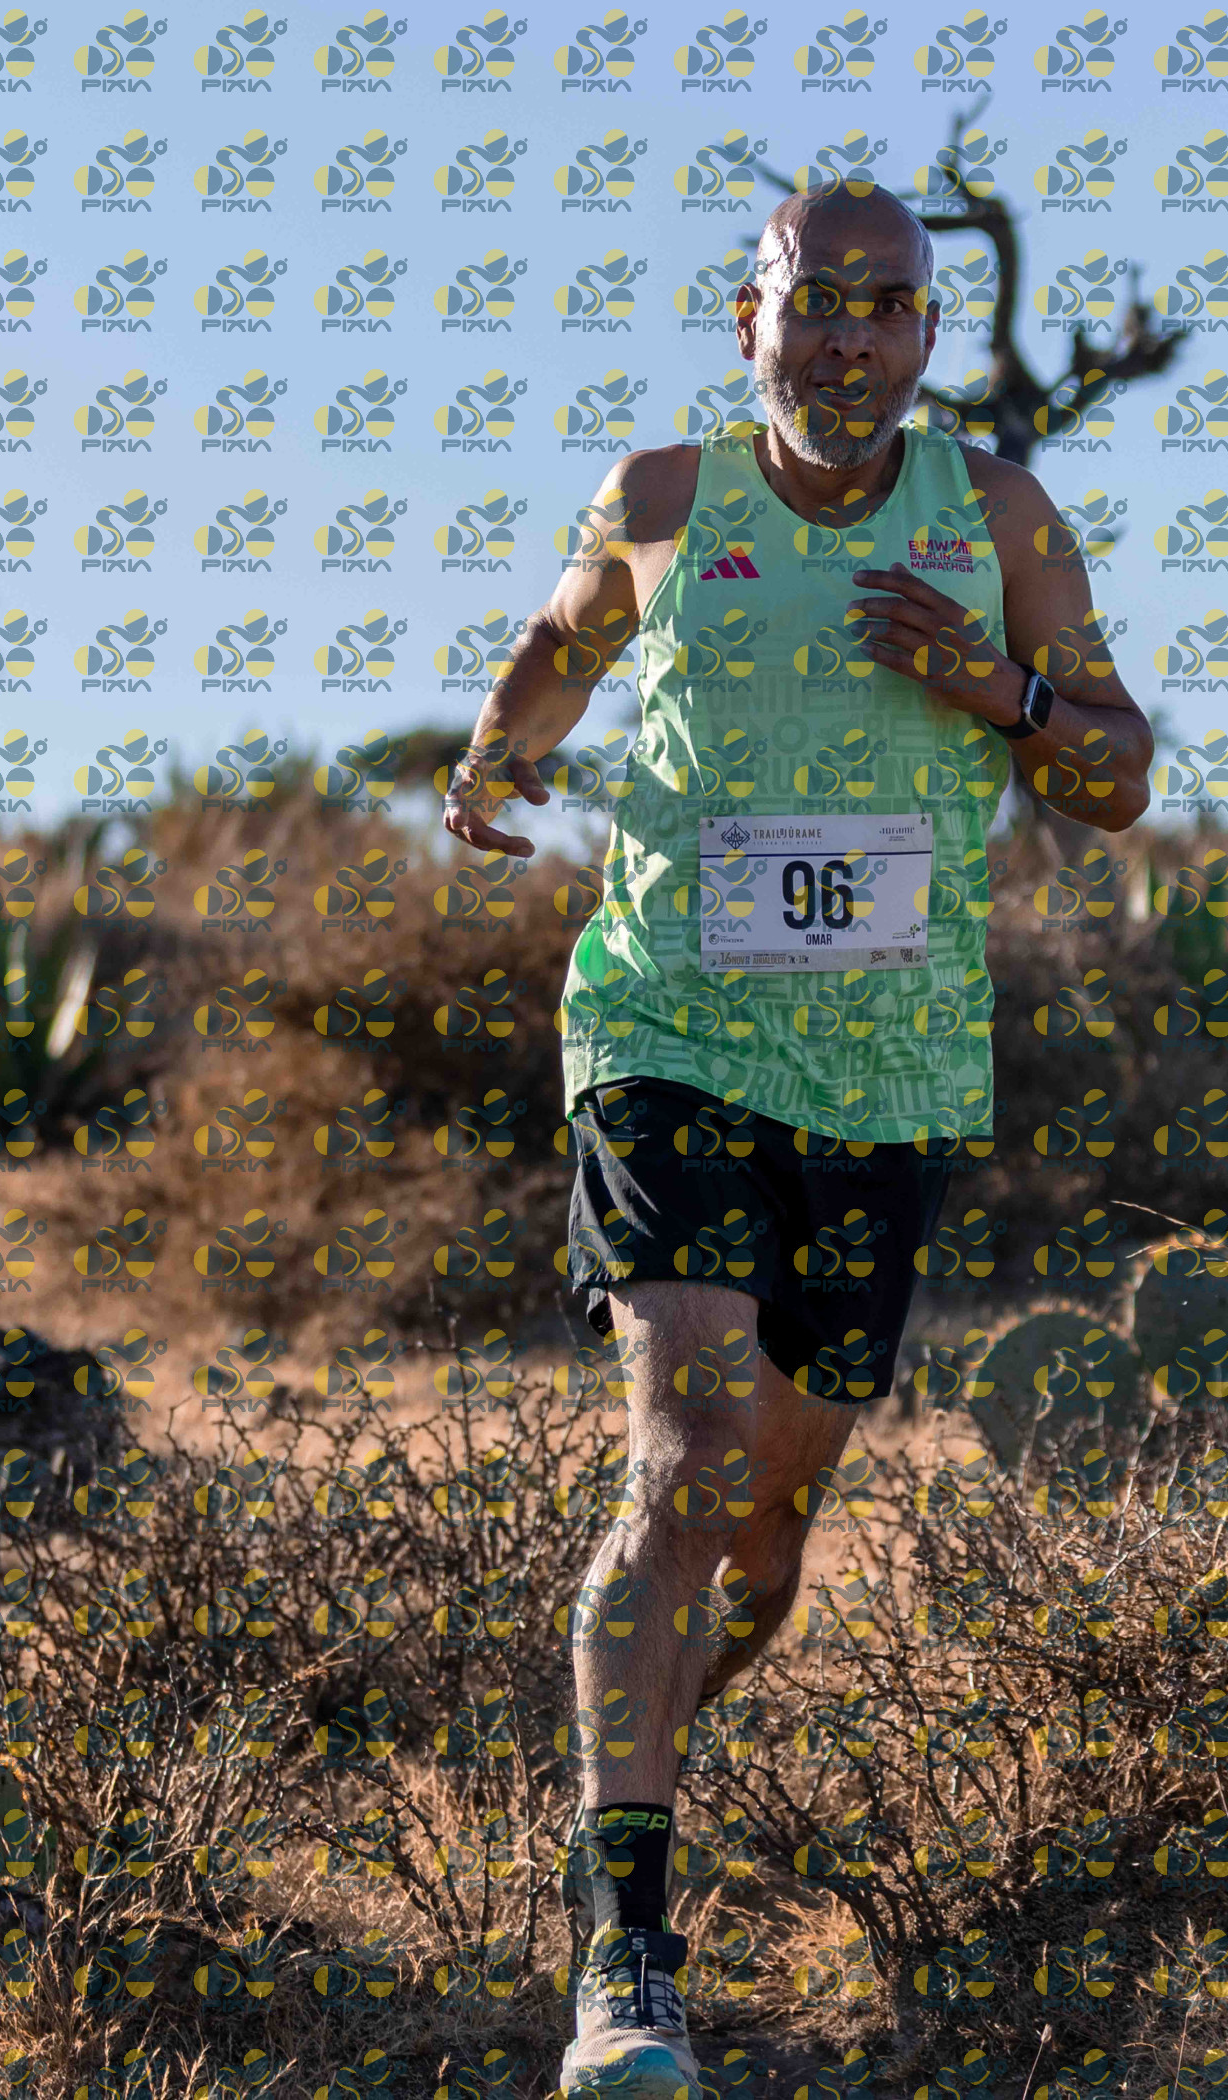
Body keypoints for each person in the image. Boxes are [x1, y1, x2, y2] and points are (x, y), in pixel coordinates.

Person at [441, 180, 1154, 2100]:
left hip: (889, 1073)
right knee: (685, 1461)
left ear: (925, 334)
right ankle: (625, 1956)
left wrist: (994, 687)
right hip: (668, 1029)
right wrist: (500, 757)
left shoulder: (999, 519)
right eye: (811, 298)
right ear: (746, 318)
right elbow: (563, 639)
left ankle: (648, 1733)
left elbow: (1114, 776)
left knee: (766, 1525)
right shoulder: (668, 497)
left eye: (887, 304)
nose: (848, 332)